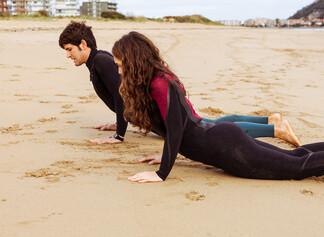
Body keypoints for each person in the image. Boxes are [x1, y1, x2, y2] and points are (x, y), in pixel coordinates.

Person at [111, 31, 324, 185]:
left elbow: (176, 128)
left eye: (121, 62)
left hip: (225, 146)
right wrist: (167, 155)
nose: (119, 68)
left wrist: (161, 173)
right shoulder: (160, 79)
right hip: (221, 137)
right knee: (298, 154)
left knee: (298, 166)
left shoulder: (159, 84)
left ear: (134, 60)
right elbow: (182, 127)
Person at [58, 21, 301, 146]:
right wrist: (120, 121)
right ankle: (271, 120)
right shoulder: (98, 62)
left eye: (69, 49)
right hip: (156, 114)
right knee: (211, 123)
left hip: (162, 111)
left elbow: (121, 96)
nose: (68, 55)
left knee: (211, 130)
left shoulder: (100, 60)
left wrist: (119, 136)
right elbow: (122, 95)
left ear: (83, 44)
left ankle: (276, 129)